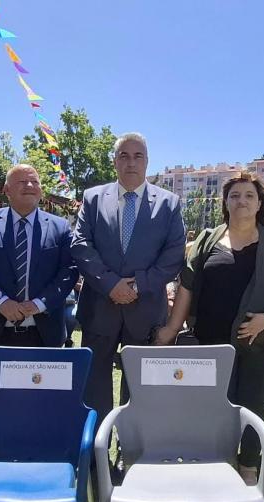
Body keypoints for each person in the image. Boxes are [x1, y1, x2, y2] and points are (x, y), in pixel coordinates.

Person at [155, 173, 264, 484]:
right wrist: (172, 328)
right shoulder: (208, 239)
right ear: (225, 201)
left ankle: (249, 465)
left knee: (254, 405)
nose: (242, 201)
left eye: (249, 195)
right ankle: (215, 461)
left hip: (259, 344)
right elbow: (187, 286)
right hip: (212, 343)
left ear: (259, 202)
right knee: (213, 408)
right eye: (235, 195)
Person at [72, 132, 186, 423]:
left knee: (141, 387)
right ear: (115, 161)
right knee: (94, 388)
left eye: (137, 156)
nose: (130, 162)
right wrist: (111, 284)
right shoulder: (93, 198)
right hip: (100, 308)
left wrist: (138, 285)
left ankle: (131, 451)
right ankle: (97, 456)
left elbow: (173, 255)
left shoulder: (169, 203)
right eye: (124, 155)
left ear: (147, 162)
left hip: (146, 311)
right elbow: (81, 245)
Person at [0, 164, 78, 404]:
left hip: (43, 335)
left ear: (41, 191)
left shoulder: (60, 227)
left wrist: (40, 303)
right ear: (7, 190)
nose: (30, 186)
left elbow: (69, 271)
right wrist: (0, 302)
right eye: (22, 182)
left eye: (34, 182)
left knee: (41, 406)